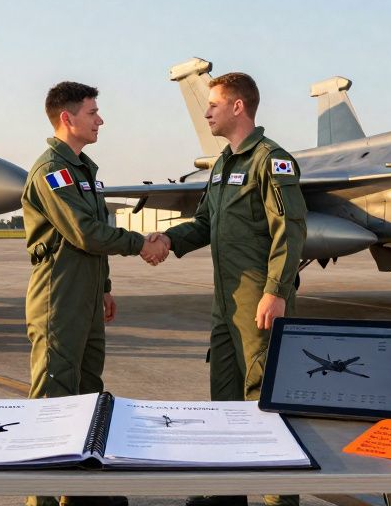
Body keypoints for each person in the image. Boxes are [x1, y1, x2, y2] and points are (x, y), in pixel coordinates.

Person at [151, 72, 306, 506]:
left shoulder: (272, 161)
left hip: (259, 302)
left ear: (238, 107)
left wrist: (276, 291)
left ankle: (280, 499)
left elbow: (290, 231)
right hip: (225, 305)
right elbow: (205, 224)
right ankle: (227, 493)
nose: (206, 112)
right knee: (223, 402)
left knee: (267, 402)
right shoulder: (223, 164)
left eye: (213, 105)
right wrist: (168, 240)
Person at [22, 81, 168, 506]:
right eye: (92, 112)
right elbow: (85, 233)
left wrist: (104, 287)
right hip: (58, 296)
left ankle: (80, 490)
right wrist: (142, 243)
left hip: (85, 294)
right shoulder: (53, 170)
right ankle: (42, 500)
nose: (100, 119)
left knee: (87, 390)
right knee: (53, 397)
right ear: (67, 118)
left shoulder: (84, 170)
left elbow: (91, 236)